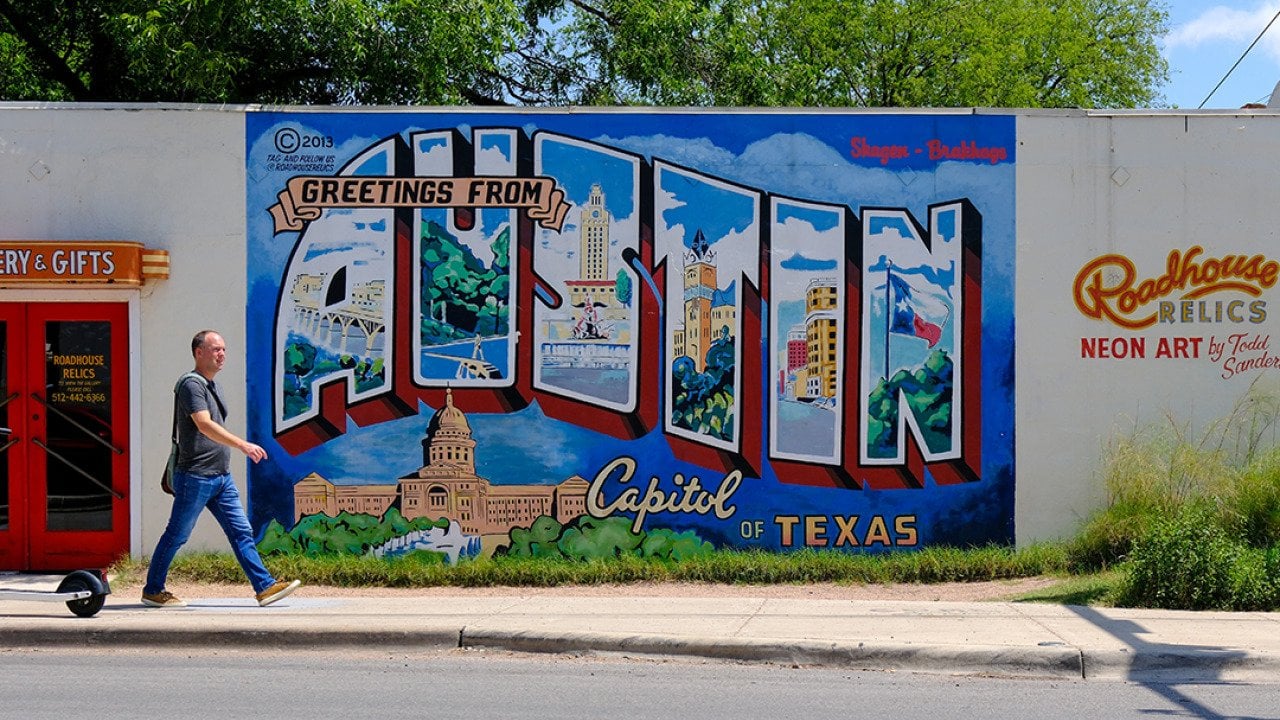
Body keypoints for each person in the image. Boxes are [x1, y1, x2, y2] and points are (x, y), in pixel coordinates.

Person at [142, 330, 301, 608]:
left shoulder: (213, 385)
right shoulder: (192, 386)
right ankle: (153, 589)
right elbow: (203, 424)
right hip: (195, 476)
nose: (222, 354)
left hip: (221, 478)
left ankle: (264, 587)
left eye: (224, 349)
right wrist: (242, 444)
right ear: (198, 352)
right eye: (215, 349)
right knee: (177, 535)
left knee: (241, 533)